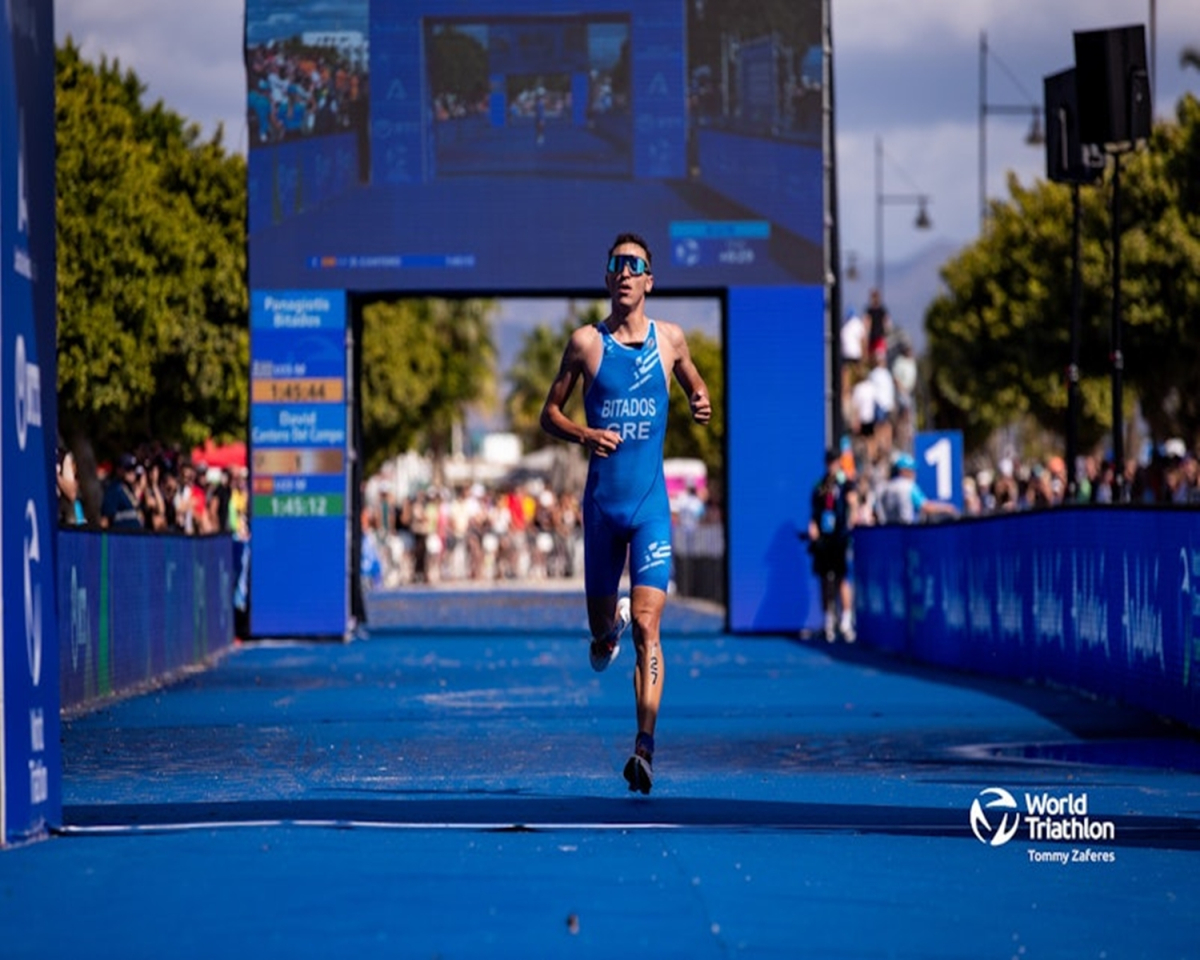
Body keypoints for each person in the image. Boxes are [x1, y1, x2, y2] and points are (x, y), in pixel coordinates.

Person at [540, 232, 711, 795]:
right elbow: (549, 414)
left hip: (649, 508)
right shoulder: (586, 345)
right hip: (602, 509)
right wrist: (585, 433)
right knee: (603, 631)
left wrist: (699, 398)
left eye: (634, 265)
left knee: (649, 626)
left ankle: (644, 748)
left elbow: (694, 383)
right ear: (608, 278)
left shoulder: (672, 341)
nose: (624, 273)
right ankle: (603, 628)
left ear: (649, 281)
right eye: (616, 264)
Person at [807, 448, 857, 642]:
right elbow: (814, 511)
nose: (832, 466)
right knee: (825, 579)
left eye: (835, 462)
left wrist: (852, 520)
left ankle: (845, 619)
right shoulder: (820, 485)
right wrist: (813, 527)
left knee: (842, 577)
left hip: (840, 536)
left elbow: (852, 504)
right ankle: (828, 619)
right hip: (824, 538)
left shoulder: (845, 483)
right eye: (829, 462)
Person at [876, 453, 959, 524]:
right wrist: (947, 509)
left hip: (887, 533)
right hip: (906, 532)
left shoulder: (885, 488)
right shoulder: (908, 487)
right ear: (903, 471)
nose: (914, 473)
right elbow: (926, 507)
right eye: (911, 470)